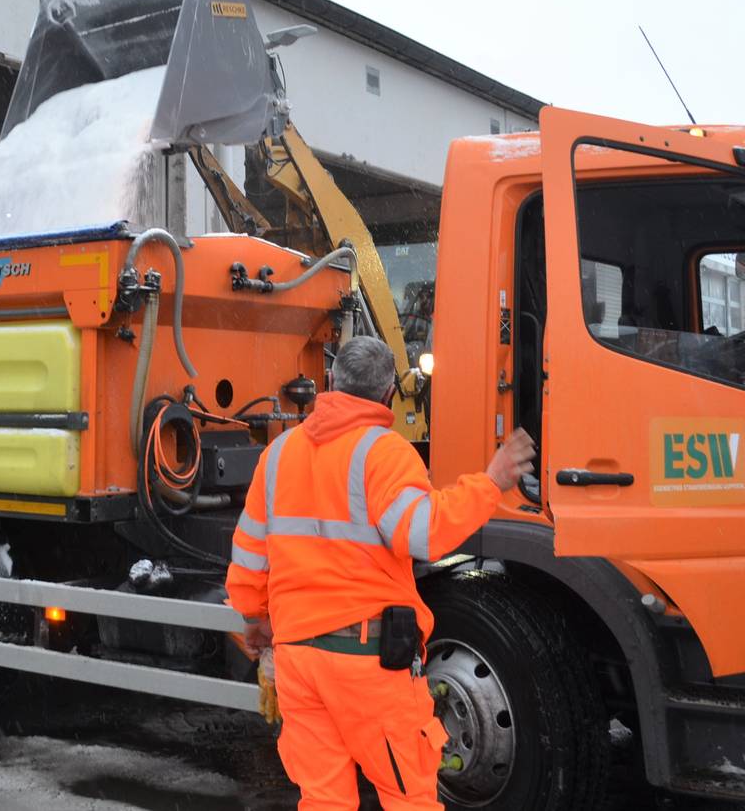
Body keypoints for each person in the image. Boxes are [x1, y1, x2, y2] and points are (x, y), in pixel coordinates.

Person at [225, 336, 536, 810]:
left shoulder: (278, 454)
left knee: (324, 799)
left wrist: (254, 618)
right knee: (408, 796)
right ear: (389, 392)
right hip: (364, 662)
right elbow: (423, 532)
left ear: (331, 383)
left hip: (298, 662)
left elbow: (249, 553)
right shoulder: (385, 452)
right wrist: (491, 482)